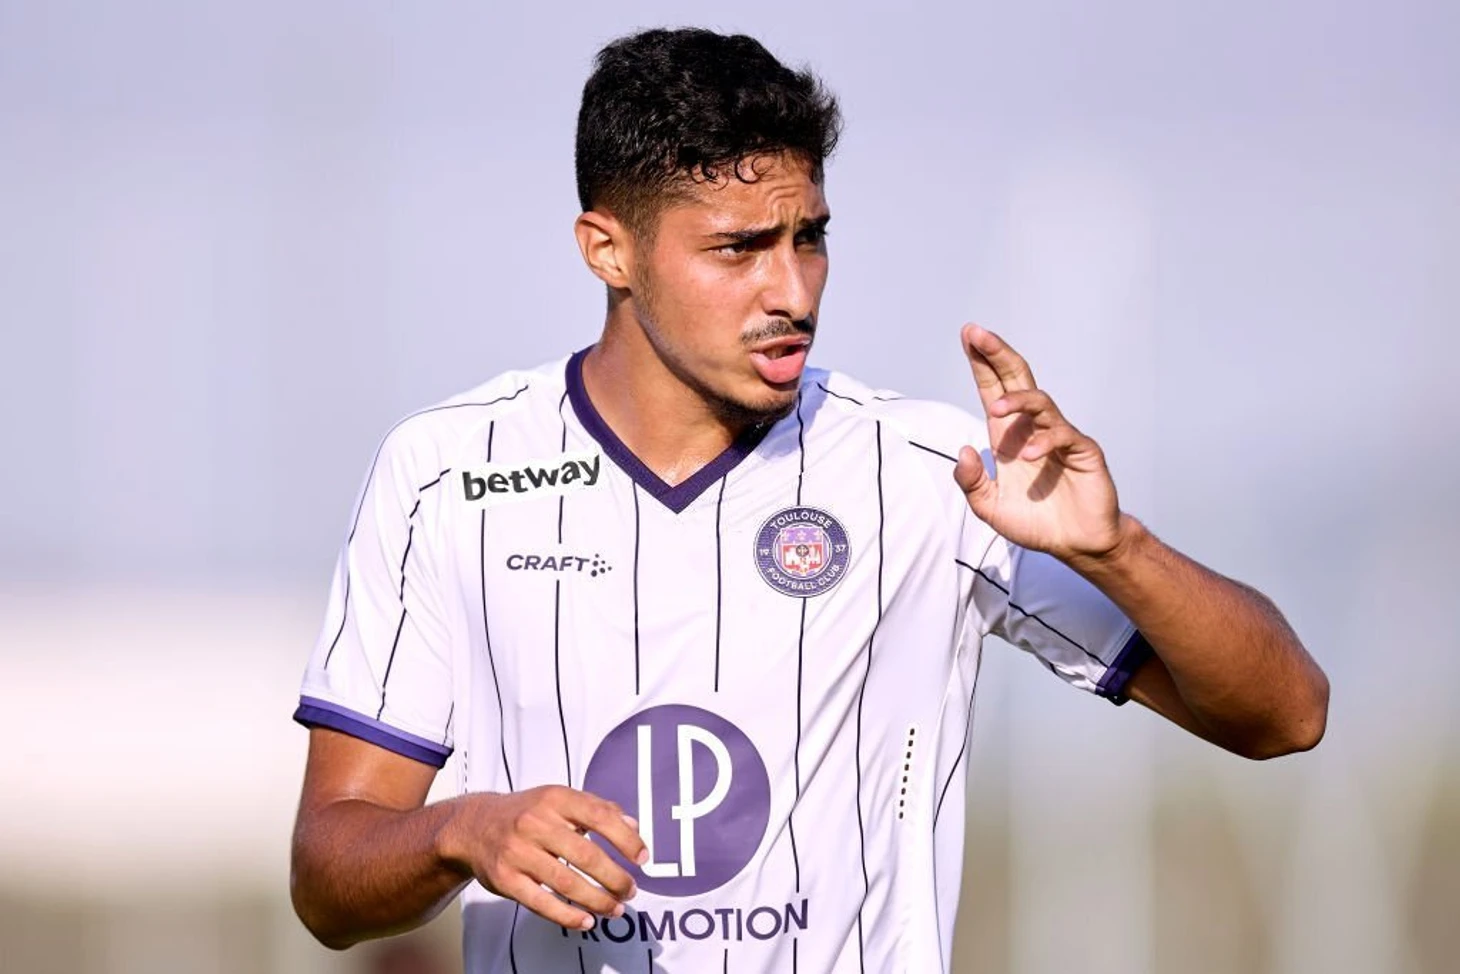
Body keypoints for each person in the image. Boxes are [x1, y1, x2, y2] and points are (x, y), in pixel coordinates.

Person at [288, 27, 1328, 974]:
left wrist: (1117, 550)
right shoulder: (447, 474)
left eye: (810, 237)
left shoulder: (931, 474)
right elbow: (328, 878)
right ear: (608, 249)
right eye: (737, 248)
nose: (791, 291)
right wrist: (461, 829)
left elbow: (1286, 714)